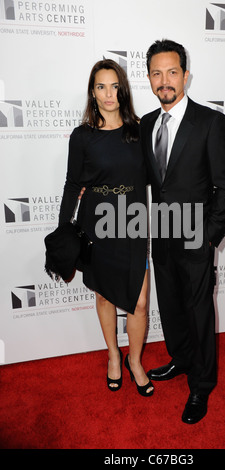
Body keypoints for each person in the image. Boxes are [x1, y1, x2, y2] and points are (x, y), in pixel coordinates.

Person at [140, 40, 225, 422]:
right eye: (156, 73)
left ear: (185, 75)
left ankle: (201, 385)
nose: (164, 80)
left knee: (199, 313)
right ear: (149, 77)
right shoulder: (148, 124)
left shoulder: (211, 122)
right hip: (161, 236)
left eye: (172, 72)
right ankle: (180, 360)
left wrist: (210, 234)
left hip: (197, 239)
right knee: (172, 307)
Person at [59, 59, 154, 396]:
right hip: (96, 223)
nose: (109, 93)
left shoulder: (140, 130)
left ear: (123, 89)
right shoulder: (82, 136)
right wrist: (63, 231)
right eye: (101, 86)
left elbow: (158, 178)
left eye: (114, 85)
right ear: (92, 92)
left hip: (132, 224)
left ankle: (136, 360)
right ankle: (114, 355)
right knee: (104, 295)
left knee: (140, 302)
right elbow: (73, 185)